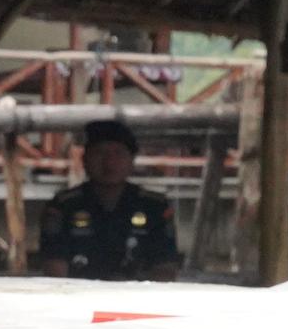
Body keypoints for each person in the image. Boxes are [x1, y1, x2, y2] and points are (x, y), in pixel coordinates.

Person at [36, 119, 180, 280]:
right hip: (79, 296)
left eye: (118, 153)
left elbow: (165, 268)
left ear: (132, 161)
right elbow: (54, 267)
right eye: (100, 153)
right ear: (84, 160)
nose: (109, 163)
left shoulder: (155, 207)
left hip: (137, 298)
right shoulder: (64, 206)